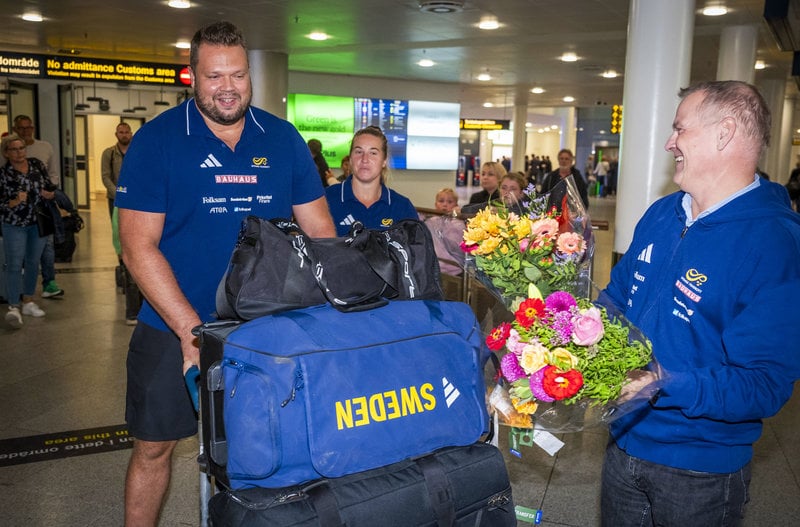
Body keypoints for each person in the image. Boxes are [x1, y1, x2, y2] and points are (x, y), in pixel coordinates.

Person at [115, 21, 335, 526]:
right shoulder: (157, 141)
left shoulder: (282, 138)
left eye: (238, 75)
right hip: (171, 325)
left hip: (265, 328)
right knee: (154, 447)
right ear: (192, 76)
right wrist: (190, 331)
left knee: (269, 449)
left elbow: (320, 233)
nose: (228, 87)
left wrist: (331, 313)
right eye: (214, 76)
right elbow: (137, 247)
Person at [598, 80, 800, 526]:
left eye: (680, 129)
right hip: (622, 443)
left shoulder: (776, 242)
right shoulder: (661, 214)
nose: (669, 143)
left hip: (699, 470)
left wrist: (663, 383)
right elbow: (616, 297)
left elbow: (764, 383)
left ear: (724, 133)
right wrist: (571, 329)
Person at [0, 133, 55, 328]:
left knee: (33, 262)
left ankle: (28, 301)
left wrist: (49, 193)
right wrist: (13, 202)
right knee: (14, 264)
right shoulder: (4, 174)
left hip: (37, 222)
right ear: (6, 153)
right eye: (14, 150)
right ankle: (13, 305)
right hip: (14, 224)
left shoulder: (36, 165)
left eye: (21, 148)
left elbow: (48, 185)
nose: (19, 153)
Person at [325, 126, 417, 236]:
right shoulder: (325, 200)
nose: (365, 159)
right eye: (359, 152)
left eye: (373, 153)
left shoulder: (402, 207)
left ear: (384, 161)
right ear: (350, 159)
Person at [10, 115, 63, 300]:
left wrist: (50, 190)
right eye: (21, 128)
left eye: (29, 127)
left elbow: (53, 174)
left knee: (46, 246)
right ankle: (20, 288)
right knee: (19, 250)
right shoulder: (7, 152)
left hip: (41, 208)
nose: (26, 131)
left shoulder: (44, 148)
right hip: (17, 212)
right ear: (15, 129)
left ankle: (49, 283)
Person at [423, 187, 464, 276]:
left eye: (450, 202)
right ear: (435, 204)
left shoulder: (458, 223)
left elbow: (457, 246)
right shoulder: (430, 221)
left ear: (456, 205)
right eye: (441, 201)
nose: (445, 204)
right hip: (433, 266)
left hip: (455, 268)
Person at [101, 122, 133, 218]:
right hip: (114, 198)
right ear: (116, 134)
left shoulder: (137, 153)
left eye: (127, 132)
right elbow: (105, 177)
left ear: (131, 134)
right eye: (121, 132)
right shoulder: (108, 153)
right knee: (116, 225)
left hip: (133, 197)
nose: (124, 135)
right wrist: (118, 194)